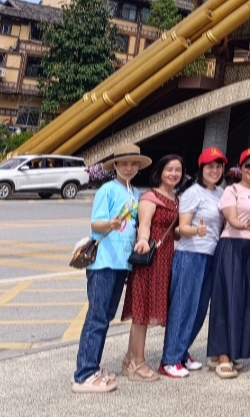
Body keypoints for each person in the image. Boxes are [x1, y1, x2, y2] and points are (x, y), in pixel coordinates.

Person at [72, 143, 148, 393]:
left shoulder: (135, 193)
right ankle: (84, 374)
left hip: (121, 264)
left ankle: (92, 368)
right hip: (103, 262)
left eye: (133, 164)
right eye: (124, 163)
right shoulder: (107, 190)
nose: (129, 168)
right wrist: (110, 224)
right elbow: (96, 223)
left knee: (104, 317)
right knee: (96, 317)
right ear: (115, 166)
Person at [160, 146, 226, 378]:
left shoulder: (221, 193)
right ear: (201, 168)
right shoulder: (192, 193)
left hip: (211, 256)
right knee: (183, 307)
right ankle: (169, 359)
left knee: (198, 310)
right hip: (190, 255)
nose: (214, 170)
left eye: (218, 166)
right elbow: (182, 227)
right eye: (210, 166)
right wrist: (196, 230)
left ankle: (182, 352)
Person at [121, 154, 183, 382]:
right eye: (169, 169)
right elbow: (145, 224)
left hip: (165, 260)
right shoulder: (150, 197)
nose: (174, 174)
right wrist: (143, 240)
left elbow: (174, 232)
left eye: (178, 170)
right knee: (142, 312)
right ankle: (138, 363)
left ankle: (129, 360)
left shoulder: (175, 199)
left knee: (145, 311)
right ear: (160, 172)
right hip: (149, 258)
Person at [208, 147, 250, 379]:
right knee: (227, 299)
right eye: (247, 165)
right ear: (240, 168)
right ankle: (222, 355)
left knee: (244, 300)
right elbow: (232, 218)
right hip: (231, 245)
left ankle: (234, 352)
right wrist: (243, 225)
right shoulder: (231, 190)